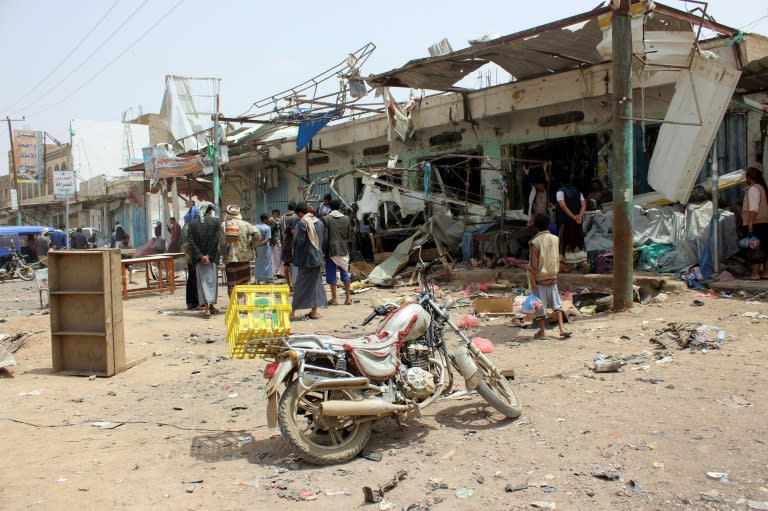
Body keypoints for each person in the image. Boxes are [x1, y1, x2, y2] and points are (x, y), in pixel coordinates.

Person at [527, 213, 571, 340]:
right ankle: (562, 329)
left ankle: (542, 332)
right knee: (557, 305)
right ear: (548, 225)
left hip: (540, 278)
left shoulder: (535, 242)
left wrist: (532, 279)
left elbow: (534, 265)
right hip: (552, 276)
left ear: (536, 226)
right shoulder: (555, 239)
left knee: (540, 307)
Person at [290, 202, 327, 320]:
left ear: (300, 213)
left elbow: (299, 242)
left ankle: (292, 312)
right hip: (317, 258)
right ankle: (314, 312)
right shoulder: (319, 222)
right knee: (315, 285)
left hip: (306, 260)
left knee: (300, 285)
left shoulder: (302, 223)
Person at [187, 202, 221, 318]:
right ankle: (209, 306)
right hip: (212, 259)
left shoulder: (191, 224)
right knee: (212, 282)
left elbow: (191, 242)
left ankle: (208, 308)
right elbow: (216, 241)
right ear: (210, 211)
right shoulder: (216, 222)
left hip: (198, 260)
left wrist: (201, 256)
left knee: (202, 283)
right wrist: (209, 256)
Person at [221, 204, 259, 298]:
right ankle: (245, 307)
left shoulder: (224, 224)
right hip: (244, 258)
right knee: (245, 282)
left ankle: (235, 307)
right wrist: (251, 245)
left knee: (232, 284)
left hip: (230, 259)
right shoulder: (246, 224)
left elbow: (222, 241)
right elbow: (257, 235)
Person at [322, 200, 354, 305]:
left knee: (331, 273)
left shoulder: (326, 219)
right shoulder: (346, 218)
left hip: (330, 250)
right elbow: (349, 234)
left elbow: (325, 237)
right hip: (343, 249)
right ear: (340, 207)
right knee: (345, 272)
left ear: (330, 207)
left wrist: (324, 252)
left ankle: (334, 299)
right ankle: (348, 298)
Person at [555, 177, 587, 272]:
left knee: (564, 242)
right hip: (577, 222)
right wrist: (579, 216)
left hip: (564, 222)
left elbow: (563, 206)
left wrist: (573, 217)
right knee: (578, 241)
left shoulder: (560, 192)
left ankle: (565, 266)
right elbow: (584, 204)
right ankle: (584, 262)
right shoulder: (578, 192)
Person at [743, 166, 768, 280]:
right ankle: (766, 273)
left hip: (756, 223)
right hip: (764, 222)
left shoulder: (753, 189)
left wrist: (750, 223)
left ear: (749, 178)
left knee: (755, 249)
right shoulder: (763, 188)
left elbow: (753, 209)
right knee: (765, 248)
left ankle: (755, 274)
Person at [181, 207, 200, 310]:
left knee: (191, 278)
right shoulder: (192, 226)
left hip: (188, 255)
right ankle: (195, 302)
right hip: (193, 255)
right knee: (194, 278)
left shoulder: (185, 226)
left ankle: (190, 302)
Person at [281, 202, 299, 290]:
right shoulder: (296, 217)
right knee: (294, 266)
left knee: (286, 265)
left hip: (285, 245)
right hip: (294, 245)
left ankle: (288, 284)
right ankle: (294, 283)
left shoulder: (282, 218)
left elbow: (282, 233)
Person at [254, 213, 274, 284]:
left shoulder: (255, 226)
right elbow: (267, 240)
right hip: (265, 248)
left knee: (258, 262)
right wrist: (259, 244)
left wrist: (255, 246)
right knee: (267, 263)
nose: (268, 220)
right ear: (265, 219)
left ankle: (258, 279)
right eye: (268, 218)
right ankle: (267, 278)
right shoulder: (267, 228)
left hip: (257, 248)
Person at [269, 209, 283, 279]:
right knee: (274, 258)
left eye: (277, 214)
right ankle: (274, 272)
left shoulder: (279, 220)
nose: (276, 215)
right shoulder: (270, 221)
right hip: (274, 241)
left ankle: (279, 272)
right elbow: (270, 230)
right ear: (272, 214)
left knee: (280, 257)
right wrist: (276, 224)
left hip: (280, 240)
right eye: (274, 214)